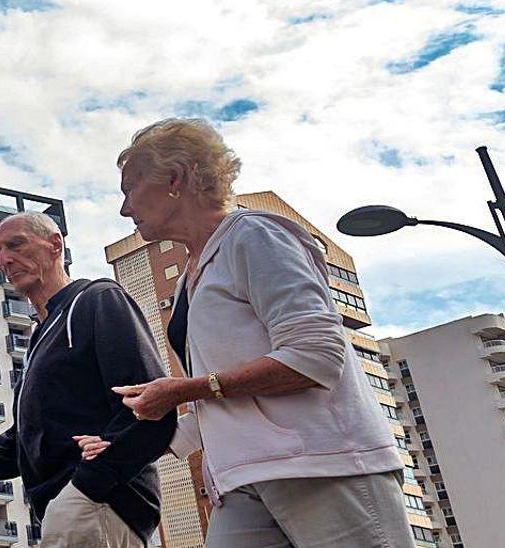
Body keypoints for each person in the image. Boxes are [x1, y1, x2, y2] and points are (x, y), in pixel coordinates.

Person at [80, 118, 412, 547]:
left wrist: (184, 390)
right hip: (242, 480)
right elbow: (220, 402)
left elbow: (315, 356)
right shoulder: (189, 280)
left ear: (174, 179)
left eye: (130, 188)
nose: (125, 208)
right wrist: (124, 447)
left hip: (323, 466)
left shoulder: (255, 235)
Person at [0, 211, 176, 547]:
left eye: (16, 245)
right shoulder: (40, 338)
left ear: (55, 245)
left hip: (100, 504)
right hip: (67, 506)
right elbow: (23, 440)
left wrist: (88, 486)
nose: (6, 259)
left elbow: (149, 404)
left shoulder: (95, 300)